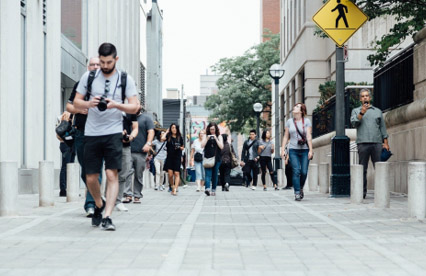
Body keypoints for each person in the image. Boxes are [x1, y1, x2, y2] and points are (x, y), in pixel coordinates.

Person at [73, 43, 140, 230]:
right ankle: (99, 204)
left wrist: (116, 105)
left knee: (112, 174)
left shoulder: (126, 78)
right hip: (92, 132)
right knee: (91, 177)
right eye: (101, 62)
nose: (104, 65)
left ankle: (108, 216)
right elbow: (76, 102)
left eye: (108, 62)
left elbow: (135, 107)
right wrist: (89, 103)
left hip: (113, 132)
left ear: (116, 60)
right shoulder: (89, 76)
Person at [66, 57, 102, 217]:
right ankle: (96, 196)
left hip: (100, 133)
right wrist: (79, 109)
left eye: (97, 65)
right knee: (85, 170)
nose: (95, 67)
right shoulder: (80, 85)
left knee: (96, 169)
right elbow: (68, 106)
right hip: (81, 132)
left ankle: (91, 204)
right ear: (88, 67)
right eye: (92, 64)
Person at [350, 88, 389, 199]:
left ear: (370, 97)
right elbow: (354, 123)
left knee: (379, 168)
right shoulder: (356, 111)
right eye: (362, 96)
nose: (365, 97)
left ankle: (381, 192)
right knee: (362, 169)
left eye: (367, 95)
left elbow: (383, 128)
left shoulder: (377, 111)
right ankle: (362, 192)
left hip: (377, 143)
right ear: (360, 99)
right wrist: (362, 112)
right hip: (362, 143)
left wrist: (385, 143)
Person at [281, 103, 314, 201]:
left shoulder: (307, 121)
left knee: (303, 172)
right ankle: (297, 193)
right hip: (293, 150)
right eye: (294, 106)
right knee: (296, 171)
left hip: (304, 150)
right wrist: (283, 149)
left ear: (301, 111)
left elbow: (308, 136)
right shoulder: (289, 122)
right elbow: (286, 136)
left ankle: (300, 188)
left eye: (297, 107)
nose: (294, 107)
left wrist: (311, 150)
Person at [127, 108, 155, 203]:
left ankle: (137, 195)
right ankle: (128, 195)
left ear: (140, 106)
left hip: (141, 151)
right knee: (127, 173)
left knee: (138, 174)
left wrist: (148, 144)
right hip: (127, 150)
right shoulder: (127, 117)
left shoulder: (146, 118)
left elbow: (151, 132)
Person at [115, 112, 138, 212]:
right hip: (110, 144)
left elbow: (135, 127)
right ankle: (107, 199)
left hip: (125, 146)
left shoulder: (129, 110)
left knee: (124, 173)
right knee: (110, 172)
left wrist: (130, 137)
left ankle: (118, 201)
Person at [56, 111, 76, 197]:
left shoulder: (62, 116)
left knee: (69, 167)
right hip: (67, 144)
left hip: (67, 144)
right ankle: (63, 190)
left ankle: (68, 189)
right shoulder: (66, 116)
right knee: (66, 167)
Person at [162, 124, 184, 196]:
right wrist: (166, 131)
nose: (174, 129)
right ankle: (172, 186)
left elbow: (182, 147)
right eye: (172, 128)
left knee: (177, 173)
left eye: (175, 128)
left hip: (177, 157)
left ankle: (175, 189)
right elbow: (162, 138)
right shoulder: (168, 136)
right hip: (170, 157)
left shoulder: (180, 137)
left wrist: (180, 148)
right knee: (170, 175)